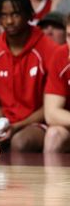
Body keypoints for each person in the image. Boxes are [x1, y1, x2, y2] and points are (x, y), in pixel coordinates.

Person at [0, 0, 59, 152]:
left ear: (29, 15)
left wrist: (17, 126)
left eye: (15, 14)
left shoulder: (51, 51)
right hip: (2, 121)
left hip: (36, 122)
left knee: (20, 142)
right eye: (3, 16)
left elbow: (49, 107)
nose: (9, 21)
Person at [45, 18, 70, 153]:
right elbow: (51, 113)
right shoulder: (61, 55)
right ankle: (49, 175)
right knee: (54, 134)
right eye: (69, 36)